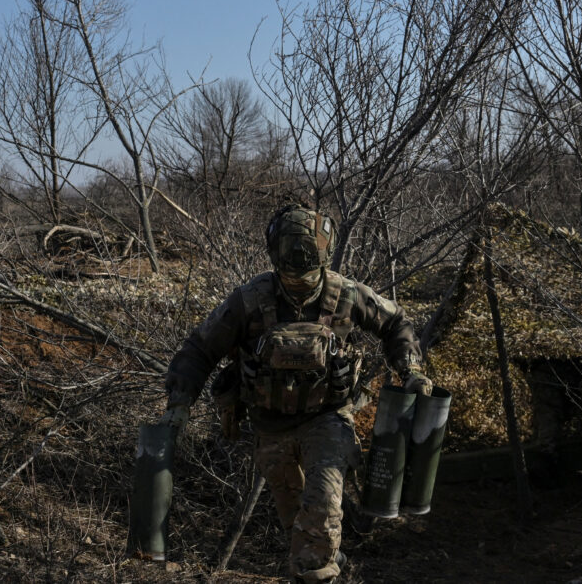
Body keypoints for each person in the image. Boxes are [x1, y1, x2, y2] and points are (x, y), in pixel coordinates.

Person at [163, 203, 432, 583]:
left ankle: (320, 572)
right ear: (276, 255)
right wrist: (179, 403)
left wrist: (412, 371)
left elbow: (396, 323)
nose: (299, 276)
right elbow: (199, 349)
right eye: (292, 267)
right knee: (299, 526)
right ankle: (323, 564)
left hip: (328, 418)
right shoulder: (250, 300)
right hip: (270, 428)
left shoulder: (347, 295)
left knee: (320, 512)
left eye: (307, 266)